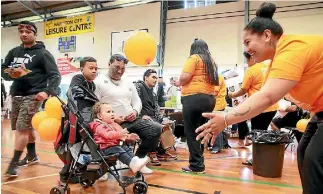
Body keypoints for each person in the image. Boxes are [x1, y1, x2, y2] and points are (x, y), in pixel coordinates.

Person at [196, 3, 323, 194]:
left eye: (248, 42)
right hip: (318, 113)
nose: (247, 50)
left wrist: (226, 118)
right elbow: (267, 95)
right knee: (304, 153)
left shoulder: (291, 48)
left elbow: (267, 96)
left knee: (315, 161)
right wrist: (228, 114)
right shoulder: (275, 62)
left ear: (266, 35)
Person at [1, 21, 61, 177]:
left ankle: (13, 164)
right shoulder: (13, 52)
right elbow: (3, 70)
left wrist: (47, 92)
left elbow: (55, 76)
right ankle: (32, 155)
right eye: (21, 31)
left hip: (33, 95)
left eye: (28, 31)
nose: (24, 34)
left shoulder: (43, 54)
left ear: (34, 33)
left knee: (21, 128)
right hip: (16, 94)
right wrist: (10, 73)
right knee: (26, 128)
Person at [95, 54, 161, 174]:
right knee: (118, 140)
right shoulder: (98, 82)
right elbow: (96, 107)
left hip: (131, 119)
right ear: (109, 65)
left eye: (123, 68)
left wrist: (135, 111)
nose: (120, 71)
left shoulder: (128, 83)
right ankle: (127, 162)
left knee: (156, 128)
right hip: (111, 123)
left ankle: (138, 160)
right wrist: (112, 119)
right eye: (116, 67)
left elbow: (137, 101)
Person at [174, 38, 218, 173]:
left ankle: (196, 165)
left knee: (191, 133)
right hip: (209, 99)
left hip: (193, 98)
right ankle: (199, 162)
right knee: (200, 131)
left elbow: (185, 77)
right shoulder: (211, 62)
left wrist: (178, 82)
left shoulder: (194, 58)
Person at [59, 57, 99, 183]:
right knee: (73, 144)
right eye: (91, 68)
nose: (94, 71)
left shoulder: (92, 84)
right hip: (76, 119)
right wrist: (97, 102)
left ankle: (75, 170)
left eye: (96, 69)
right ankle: (65, 172)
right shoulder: (77, 79)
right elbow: (78, 95)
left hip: (85, 117)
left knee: (78, 144)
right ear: (82, 69)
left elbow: (89, 101)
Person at [229, 52, 277, 148]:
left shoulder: (251, 70)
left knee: (257, 133)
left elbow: (244, 90)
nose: (247, 63)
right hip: (272, 106)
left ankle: (257, 159)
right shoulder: (268, 67)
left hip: (259, 107)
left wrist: (232, 95)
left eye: (247, 61)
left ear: (251, 58)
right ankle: (261, 157)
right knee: (262, 132)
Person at [89, 102, 149, 174]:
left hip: (113, 146)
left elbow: (119, 135)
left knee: (126, 148)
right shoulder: (99, 126)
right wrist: (121, 133)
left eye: (112, 111)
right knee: (119, 150)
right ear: (99, 116)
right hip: (105, 149)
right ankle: (132, 164)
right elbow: (108, 135)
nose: (112, 114)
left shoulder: (112, 124)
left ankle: (137, 162)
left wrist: (128, 137)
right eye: (108, 112)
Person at [135, 69, 178, 161]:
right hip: (141, 119)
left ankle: (161, 151)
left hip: (153, 118)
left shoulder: (153, 93)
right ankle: (151, 152)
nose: (156, 80)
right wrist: (140, 116)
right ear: (146, 78)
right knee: (157, 126)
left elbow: (157, 109)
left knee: (170, 123)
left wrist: (163, 119)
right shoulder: (138, 87)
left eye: (157, 78)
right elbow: (133, 104)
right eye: (153, 77)